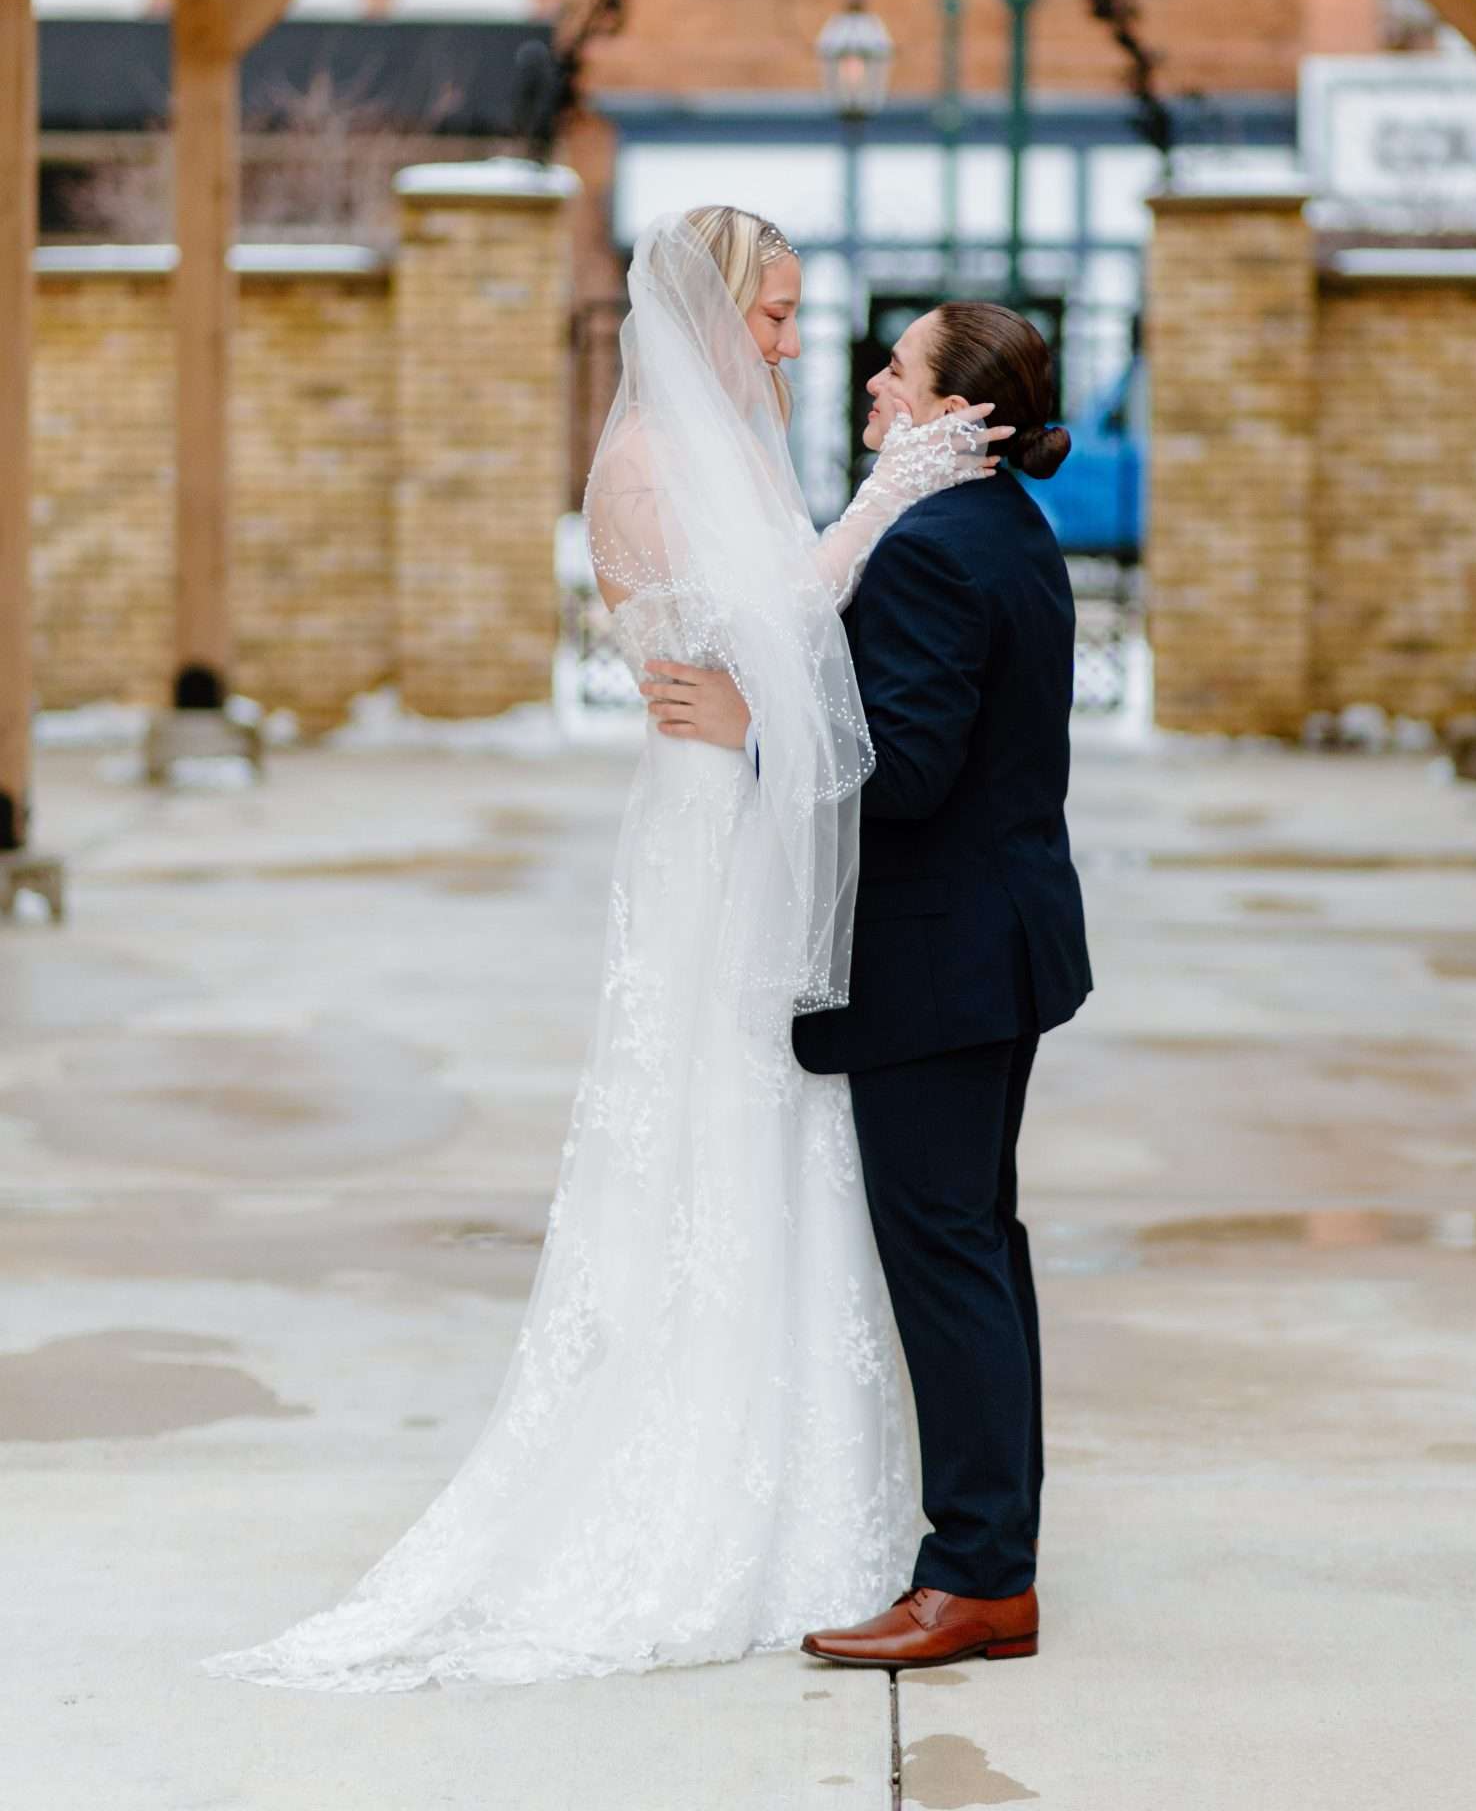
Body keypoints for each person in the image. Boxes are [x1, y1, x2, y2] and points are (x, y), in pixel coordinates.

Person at [199, 208, 1005, 1691]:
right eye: (770, 316)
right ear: (704, 315)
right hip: (712, 828)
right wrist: (890, 497)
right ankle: (694, 1477)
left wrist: (876, 508)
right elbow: (771, 639)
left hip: (761, 806)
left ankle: (809, 1480)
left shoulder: (739, 452)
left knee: (789, 1124)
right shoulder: (644, 467)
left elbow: (797, 641)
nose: (787, 342)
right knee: (713, 1111)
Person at [644, 302, 1091, 1670]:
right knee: (981, 1253)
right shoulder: (997, 528)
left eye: (898, 365)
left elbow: (901, 769)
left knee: (950, 1261)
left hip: (938, 961)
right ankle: (991, 1554)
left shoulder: (938, 555)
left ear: (955, 411)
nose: (873, 379)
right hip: (995, 948)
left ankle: (976, 1577)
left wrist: (754, 725)